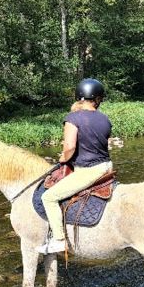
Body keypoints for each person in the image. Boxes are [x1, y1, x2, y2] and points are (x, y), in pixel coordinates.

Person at [38, 78, 113, 254]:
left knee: (48, 198)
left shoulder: (73, 118)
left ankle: (58, 240)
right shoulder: (105, 119)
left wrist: (63, 158)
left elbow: (70, 147)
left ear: (80, 96)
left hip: (88, 171)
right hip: (106, 167)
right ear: (97, 98)